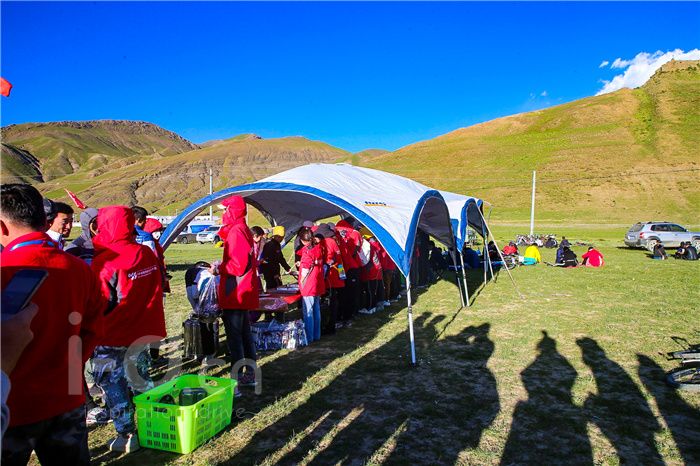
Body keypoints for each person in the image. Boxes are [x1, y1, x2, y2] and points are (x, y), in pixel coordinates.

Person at [1, 184, 105, 465]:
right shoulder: (79, 268)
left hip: (13, 405)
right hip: (66, 397)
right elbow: (94, 328)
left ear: (2, 225)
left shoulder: (5, 268)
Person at [91, 205, 166, 453]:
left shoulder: (105, 261)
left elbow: (101, 303)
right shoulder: (145, 253)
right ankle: (152, 422)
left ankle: (127, 433)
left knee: (113, 383)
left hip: (113, 333)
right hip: (142, 329)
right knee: (141, 377)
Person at [64, 208, 110, 426]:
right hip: (82, 310)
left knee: (102, 355)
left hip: (103, 309)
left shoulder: (106, 245)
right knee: (78, 359)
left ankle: (105, 392)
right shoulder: (75, 249)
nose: (99, 227)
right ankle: (87, 403)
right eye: (95, 223)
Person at [216, 196, 259, 388]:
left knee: (235, 338)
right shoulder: (243, 229)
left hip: (236, 292)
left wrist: (219, 268)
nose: (223, 214)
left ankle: (237, 379)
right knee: (244, 334)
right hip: (242, 290)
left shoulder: (236, 232)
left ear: (232, 211)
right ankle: (250, 373)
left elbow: (238, 266)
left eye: (225, 210)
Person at [184, 261, 220, 363]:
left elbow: (192, 295)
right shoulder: (217, 274)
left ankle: (208, 354)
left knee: (206, 327)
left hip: (205, 303)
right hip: (221, 300)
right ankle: (226, 348)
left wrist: (196, 309)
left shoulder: (191, 274)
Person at [297, 229, 325, 343]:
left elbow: (305, 269)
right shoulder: (318, 248)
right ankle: (316, 334)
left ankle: (309, 336)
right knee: (316, 309)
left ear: (302, 240)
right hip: (317, 282)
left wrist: (301, 282)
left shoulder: (307, 252)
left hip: (309, 284)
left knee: (308, 311)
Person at [315, 224, 344, 334]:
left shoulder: (326, 242)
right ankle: (335, 322)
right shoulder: (333, 240)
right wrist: (342, 275)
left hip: (330, 276)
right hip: (338, 272)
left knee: (330, 301)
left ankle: (330, 325)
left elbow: (329, 259)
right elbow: (339, 258)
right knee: (336, 299)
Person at [335, 220, 362, 326]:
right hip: (346, 267)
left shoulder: (336, 237)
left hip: (345, 267)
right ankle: (347, 316)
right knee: (347, 292)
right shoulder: (348, 235)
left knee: (345, 292)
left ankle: (346, 316)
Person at [260, 225, 294, 290]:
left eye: (282, 237)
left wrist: (287, 268)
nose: (281, 239)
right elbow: (268, 261)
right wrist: (274, 274)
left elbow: (280, 258)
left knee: (279, 288)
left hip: (276, 270)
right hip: (270, 272)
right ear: (275, 236)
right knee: (273, 289)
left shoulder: (277, 244)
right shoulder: (269, 244)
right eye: (279, 237)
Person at [358, 228, 384, 314]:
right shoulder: (374, 244)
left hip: (371, 270)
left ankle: (370, 308)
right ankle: (374, 306)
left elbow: (364, 258)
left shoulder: (366, 245)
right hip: (376, 269)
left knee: (369, 290)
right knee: (373, 289)